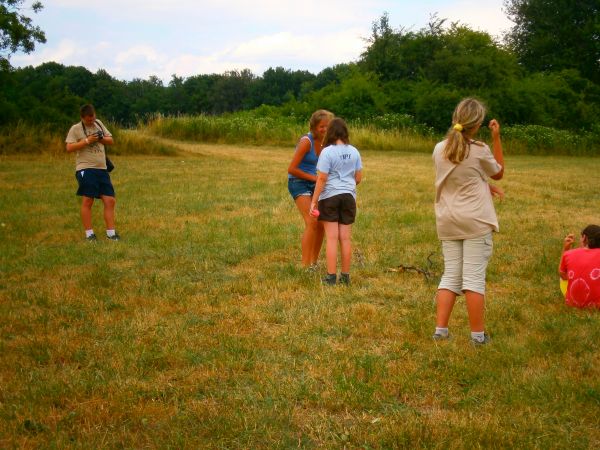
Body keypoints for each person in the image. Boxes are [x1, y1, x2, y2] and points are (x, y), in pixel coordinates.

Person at [432, 98, 504, 344]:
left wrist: (486, 185)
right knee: (473, 278)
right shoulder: (480, 148)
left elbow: (462, 177)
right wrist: (496, 138)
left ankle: (440, 331)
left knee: (450, 275)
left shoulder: (439, 148)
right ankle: (478, 337)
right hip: (475, 220)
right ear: (478, 124)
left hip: (448, 219)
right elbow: (499, 172)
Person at [310, 118, 363, 285]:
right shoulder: (354, 151)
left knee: (332, 238)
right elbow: (358, 178)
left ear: (330, 133)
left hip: (330, 196)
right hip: (349, 196)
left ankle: (331, 277)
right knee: (345, 238)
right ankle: (345, 277)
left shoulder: (327, 152)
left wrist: (314, 200)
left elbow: (322, 178)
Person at [66, 104, 120, 242]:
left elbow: (111, 140)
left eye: (93, 118)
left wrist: (99, 138)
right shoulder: (75, 128)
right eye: (88, 120)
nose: (91, 121)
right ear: (82, 118)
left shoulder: (99, 124)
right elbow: (69, 147)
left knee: (110, 200)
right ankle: (90, 234)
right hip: (85, 168)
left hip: (101, 168)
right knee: (88, 199)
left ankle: (111, 233)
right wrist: (86, 141)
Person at [287, 110, 333, 268]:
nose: (325, 129)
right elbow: (291, 169)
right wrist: (315, 178)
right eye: (322, 126)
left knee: (321, 223)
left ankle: (314, 262)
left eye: (328, 126)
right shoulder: (306, 141)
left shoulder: (326, 143)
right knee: (311, 222)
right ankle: (305, 266)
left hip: (314, 183)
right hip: (298, 182)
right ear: (314, 126)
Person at [559, 225, 600, 308]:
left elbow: (562, 275)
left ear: (584, 238)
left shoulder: (569, 254)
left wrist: (566, 248)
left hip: (572, 304)